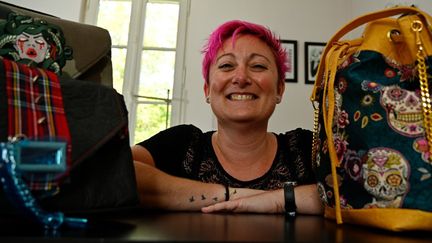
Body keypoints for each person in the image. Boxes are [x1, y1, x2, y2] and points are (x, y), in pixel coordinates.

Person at [132, 20, 323, 215]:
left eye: (257, 66)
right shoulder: (182, 144)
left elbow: (350, 194)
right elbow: (113, 171)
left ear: (279, 89)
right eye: (226, 65)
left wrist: (278, 200)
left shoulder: (305, 147)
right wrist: (233, 195)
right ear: (207, 90)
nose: (241, 78)